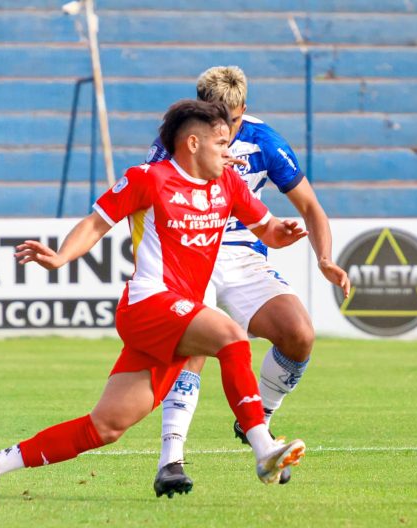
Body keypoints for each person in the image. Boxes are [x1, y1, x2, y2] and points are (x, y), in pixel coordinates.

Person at [0, 99, 309, 507]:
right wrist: (59, 257)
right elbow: (96, 222)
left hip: (179, 317)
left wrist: (280, 233)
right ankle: (262, 447)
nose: (228, 150)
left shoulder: (229, 183)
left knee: (106, 427)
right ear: (193, 143)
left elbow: (265, 227)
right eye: (220, 142)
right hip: (149, 303)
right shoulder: (148, 179)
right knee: (231, 334)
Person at [147, 66, 350, 497]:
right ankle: (171, 459)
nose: (226, 130)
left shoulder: (264, 141)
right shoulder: (176, 144)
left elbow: (310, 207)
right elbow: (145, 198)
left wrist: (325, 258)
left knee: (299, 335)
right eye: (215, 120)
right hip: (188, 252)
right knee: (195, 347)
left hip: (242, 255)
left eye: (233, 121)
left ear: (244, 111)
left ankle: (258, 419)